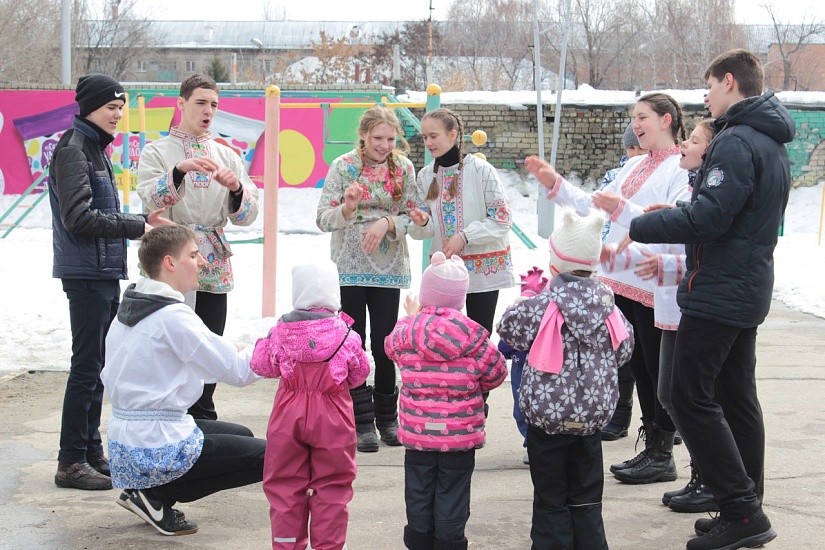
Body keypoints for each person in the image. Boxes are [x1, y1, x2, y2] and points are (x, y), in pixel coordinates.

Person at [628, 49, 793, 550]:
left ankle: (742, 511)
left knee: (686, 395)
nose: (704, 97)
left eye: (708, 87)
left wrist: (640, 222)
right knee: (736, 399)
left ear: (728, 82)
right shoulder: (766, 139)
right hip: (744, 285)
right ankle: (746, 505)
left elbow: (709, 219)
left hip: (720, 288)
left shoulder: (738, 141)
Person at [525, 93, 691, 485]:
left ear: (666, 120)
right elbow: (595, 206)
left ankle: (661, 451)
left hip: (652, 279)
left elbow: (677, 225)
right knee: (637, 367)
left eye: (643, 117)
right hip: (620, 278)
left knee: (656, 369)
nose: (636, 124)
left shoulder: (680, 169)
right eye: (634, 117)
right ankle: (651, 444)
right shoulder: (634, 163)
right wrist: (556, 184)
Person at [48, 73, 173, 491]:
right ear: (89, 108)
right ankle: (70, 462)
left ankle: (89, 450)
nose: (118, 115)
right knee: (85, 368)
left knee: (97, 367)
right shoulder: (74, 149)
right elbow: (78, 218)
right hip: (84, 274)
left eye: (121, 107)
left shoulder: (94, 148)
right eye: (111, 107)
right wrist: (138, 227)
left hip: (100, 271)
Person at [101, 225, 266, 536]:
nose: (202, 261)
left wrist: (232, 347)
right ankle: (157, 493)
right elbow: (238, 372)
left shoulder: (136, 303)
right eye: (193, 254)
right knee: (272, 457)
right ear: (170, 263)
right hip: (153, 445)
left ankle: (146, 492)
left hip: (127, 445)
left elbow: (195, 352)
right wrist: (279, 349)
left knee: (240, 433)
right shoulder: (173, 317)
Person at [498, 208, 634, 550]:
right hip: (591, 421)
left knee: (551, 494)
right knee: (587, 495)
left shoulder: (541, 305)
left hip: (547, 418)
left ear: (555, 264)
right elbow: (624, 351)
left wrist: (527, 297)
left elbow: (508, 330)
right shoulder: (610, 309)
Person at [137, 73, 260, 422]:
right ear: (181, 103)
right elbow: (149, 198)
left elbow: (248, 214)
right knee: (169, 333)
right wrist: (178, 171)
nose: (208, 111)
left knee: (210, 336)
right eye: (200, 103)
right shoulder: (157, 152)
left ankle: (203, 412)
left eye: (214, 105)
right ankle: (170, 410)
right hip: (170, 256)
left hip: (212, 257)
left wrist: (236, 189)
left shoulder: (228, 155)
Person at [614, 119, 719, 514]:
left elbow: (700, 244)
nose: (684, 147)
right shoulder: (692, 183)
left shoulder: (697, 184)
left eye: (693, 141)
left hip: (691, 300)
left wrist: (659, 240)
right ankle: (693, 470)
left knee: (690, 396)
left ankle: (712, 478)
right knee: (666, 389)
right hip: (668, 290)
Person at [316, 106, 429, 452]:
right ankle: (361, 421)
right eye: (377, 138)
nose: (384, 145)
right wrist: (348, 209)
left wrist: (390, 223)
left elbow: (416, 218)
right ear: (363, 135)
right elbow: (323, 218)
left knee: (385, 345)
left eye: (390, 139)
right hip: (349, 265)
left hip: (388, 268)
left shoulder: (405, 169)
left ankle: (387, 419)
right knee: (353, 343)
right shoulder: (344, 167)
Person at [385, 251, 507, 550]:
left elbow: (389, 349)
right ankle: (450, 542)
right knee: (453, 493)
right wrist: (475, 388)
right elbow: (497, 372)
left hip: (418, 434)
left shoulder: (407, 332)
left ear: (426, 295)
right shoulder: (474, 336)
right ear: (460, 298)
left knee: (418, 490)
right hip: (459, 436)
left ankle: (418, 540)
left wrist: (411, 317)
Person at [250, 259, 371, 550]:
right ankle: (328, 545)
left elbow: (261, 365)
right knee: (333, 484)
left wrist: (261, 343)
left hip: (288, 411)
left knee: (284, 483)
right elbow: (360, 373)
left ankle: (286, 543)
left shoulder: (280, 332)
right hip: (333, 412)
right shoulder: (346, 334)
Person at [410, 108, 516, 335]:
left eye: (433, 136)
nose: (428, 142)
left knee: (480, 335)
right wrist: (421, 222)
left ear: (453, 135)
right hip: (444, 274)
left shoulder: (481, 170)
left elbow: (502, 219)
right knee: (445, 337)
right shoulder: (425, 176)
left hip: (482, 270)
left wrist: (465, 236)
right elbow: (423, 232)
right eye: (424, 137)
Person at [599, 122, 646, 441]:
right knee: (623, 346)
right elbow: (602, 222)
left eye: (638, 148)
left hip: (653, 272)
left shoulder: (670, 171)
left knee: (655, 356)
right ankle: (620, 413)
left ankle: (664, 420)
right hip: (619, 272)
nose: (633, 154)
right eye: (629, 149)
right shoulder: (616, 177)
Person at [498, 266, 548, 465]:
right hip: (519, 380)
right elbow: (501, 349)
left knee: (539, 411)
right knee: (520, 412)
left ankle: (537, 445)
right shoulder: (516, 332)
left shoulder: (545, 331)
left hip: (539, 379)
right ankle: (530, 442)